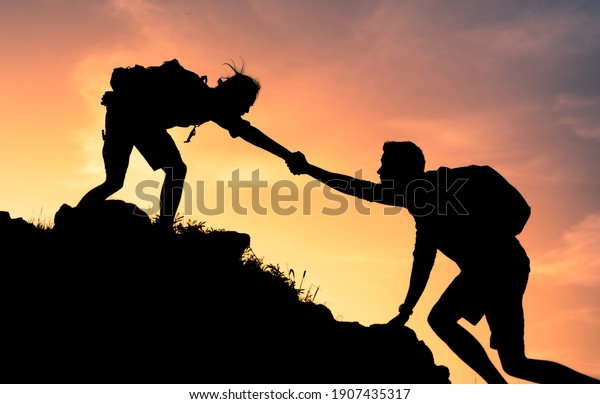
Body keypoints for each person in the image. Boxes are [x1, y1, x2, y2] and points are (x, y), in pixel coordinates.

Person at [286, 141, 599, 384]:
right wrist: (406, 310)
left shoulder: (435, 189)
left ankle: (499, 389)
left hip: (500, 267)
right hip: (504, 267)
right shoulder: (423, 205)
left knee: (443, 321)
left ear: (404, 170)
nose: (380, 173)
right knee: (515, 362)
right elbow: (423, 260)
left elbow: (361, 190)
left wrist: (309, 169)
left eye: (385, 167)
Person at [78, 59, 296, 229]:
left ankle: (75, 218)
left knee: (116, 181)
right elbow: (146, 85)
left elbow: (250, 133)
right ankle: (163, 228)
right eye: (246, 104)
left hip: (128, 118)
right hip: (133, 117)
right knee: (170, 170)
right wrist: (123, 98)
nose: (246, 111)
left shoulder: (213, 108)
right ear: (233, 96)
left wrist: (288, 155)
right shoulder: (194, 90)